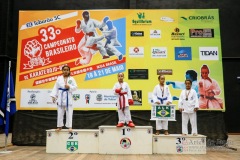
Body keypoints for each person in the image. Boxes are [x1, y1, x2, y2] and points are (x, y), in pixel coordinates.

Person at [50, 65, 78, 132]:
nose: (66, 71)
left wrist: (69, 87)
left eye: (67, 70)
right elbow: (56, 87)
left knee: (69, 112)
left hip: (68, 96)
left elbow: (76, 87)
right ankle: (59, 126)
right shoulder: (59, 78)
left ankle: (70, 126)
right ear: (62, 71)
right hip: (61, 96)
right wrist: (54, 96)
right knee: (60, 112)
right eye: (64, 70)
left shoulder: (71, 79)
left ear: (69, 71)